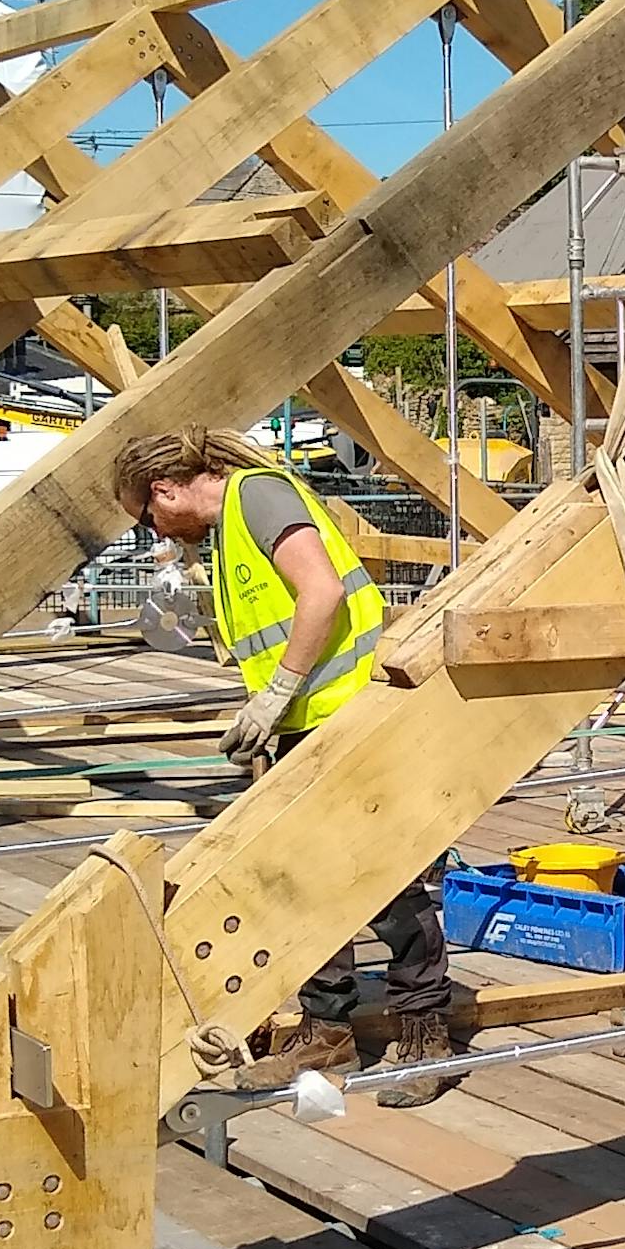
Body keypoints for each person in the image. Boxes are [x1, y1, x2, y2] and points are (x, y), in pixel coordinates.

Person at [111, 428, 457, 1107]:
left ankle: (425, 1035)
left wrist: (275, 695)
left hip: (349, 717)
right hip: (309, 723)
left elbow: (320, 593)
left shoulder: (257, 496)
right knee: (305, 881)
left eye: (145, 517)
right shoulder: (230, 529)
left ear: (165, 490)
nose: (153, 530)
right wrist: (272, 711)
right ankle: (325, 1029)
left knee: (384, 880)